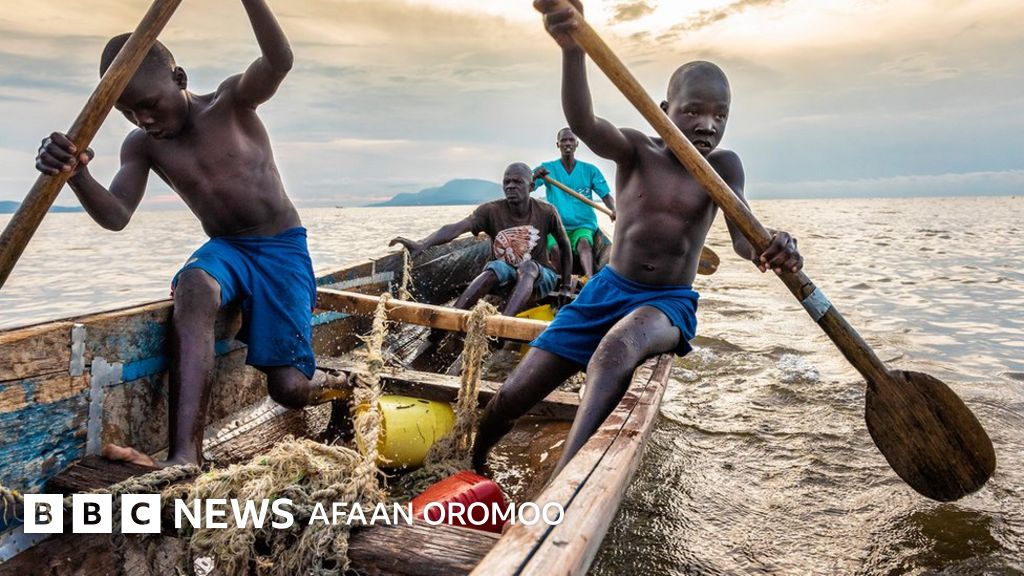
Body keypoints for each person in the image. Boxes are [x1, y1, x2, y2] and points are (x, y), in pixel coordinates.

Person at [472, 0, 804, 479]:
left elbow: (744, 240)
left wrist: (775, 245)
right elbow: (584, 123)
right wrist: (572, 50)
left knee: (616, 350)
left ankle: (564, 486)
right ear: (665, 112)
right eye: (693, 111)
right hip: (607, 289)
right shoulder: (635, 150)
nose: (707, 125)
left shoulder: (724, 168)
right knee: (510, 396)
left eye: (720, 116)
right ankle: (477, 463)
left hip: (666, 303)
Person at [34, 0, 347, 467]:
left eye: (149, 105)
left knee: (290, 390)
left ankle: (342, 383)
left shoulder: (231, 102)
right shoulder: (142, 146)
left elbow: (279, 61)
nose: (143, 120)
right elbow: (117, 214)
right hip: (227, 249)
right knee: (195, 285)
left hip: (280, 246)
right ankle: (185, 458)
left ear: (179, 80)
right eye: (128, 113)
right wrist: (74, 174)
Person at [390, 163, 572, 318]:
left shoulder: (547, 212)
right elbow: (455, 228)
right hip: (505, 278)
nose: (510, 186)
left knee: (529, 266)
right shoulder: (491, 211)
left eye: (517, 182)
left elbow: (565, 247)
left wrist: (564, 286)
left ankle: (504, 324)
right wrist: (423, 244)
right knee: (495, 267)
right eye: (506, 182)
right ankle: (451, 319)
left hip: (539, 279)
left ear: (531, 186)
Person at [533, 127, 615, 278]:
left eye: (571, 140)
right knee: (556, 249)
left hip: (582, 225)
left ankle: (589, 280)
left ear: (577, 143)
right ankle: (558, 280)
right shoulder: (548, 169)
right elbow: (529, 186)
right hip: (557, 226)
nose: (568, 143)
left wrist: (614, 210)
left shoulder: (590, 170)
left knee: (584, 244)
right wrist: (534, 176)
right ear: (558, 144)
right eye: (564, 140)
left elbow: (606, 196)